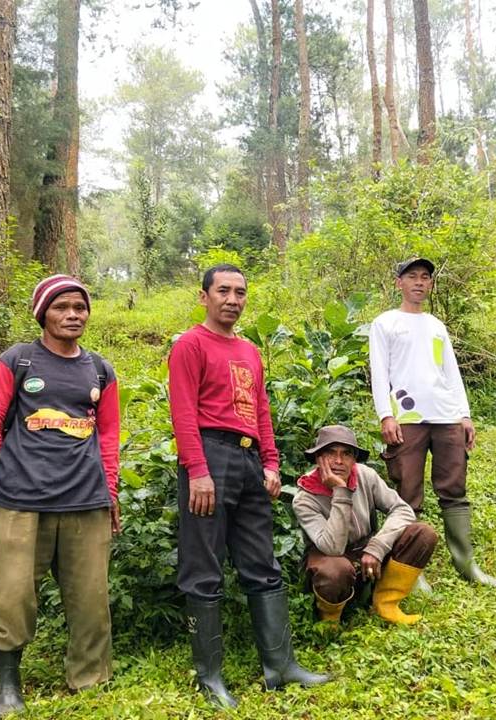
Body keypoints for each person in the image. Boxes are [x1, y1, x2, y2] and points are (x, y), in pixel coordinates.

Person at [167, 264, 329, 708]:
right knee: (204, 566)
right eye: (223, 291)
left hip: (248, 459)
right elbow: (183, 413)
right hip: (209, 454)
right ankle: (210, 677)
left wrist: (271, 462)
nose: (233, 299)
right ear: (204, 296)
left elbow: (260, 410)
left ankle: (281, 665)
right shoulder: (190, 345)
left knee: (262, 562)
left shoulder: (250, 351)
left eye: (240, 292)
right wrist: (197, 470)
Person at [0, 275, 121, 718]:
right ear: (42, 313)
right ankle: (6, 685)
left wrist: (110, 491)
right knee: (13, 594)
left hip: (85, 499)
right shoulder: (17, 361)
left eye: (80, 307)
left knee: (90, 598)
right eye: (61, 307)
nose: (73, 314)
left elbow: (108, 434)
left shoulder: (100, 370)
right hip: (21, 498)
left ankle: (90, 679)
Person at [369, 258, 496, 587]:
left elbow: (450, 372)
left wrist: (464, 414)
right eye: (412, 276)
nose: (419, 282)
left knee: (454, 488)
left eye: (425, 277)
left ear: (430, 284)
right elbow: (379, 372)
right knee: (408, 493)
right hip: (407, 418)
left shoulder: (436, 326)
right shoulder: (385, 323)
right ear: (399, 283)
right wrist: (386, 414)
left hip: (445, 415)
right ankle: (410, 570)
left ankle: (466, 563)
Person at [292, 425, 438, 626]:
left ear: (354, 459)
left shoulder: (365, 475)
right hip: (332, 558)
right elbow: (333, 548)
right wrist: (340, 491)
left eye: (346, 454)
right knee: (335, 570)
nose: (338, 461)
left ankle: (385, 603)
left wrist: (377, 547)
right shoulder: (304, 498)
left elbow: (402, 509)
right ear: (318, 458)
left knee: (422, 534)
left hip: (366, 551)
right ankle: (329, 621)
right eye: (331, 453)